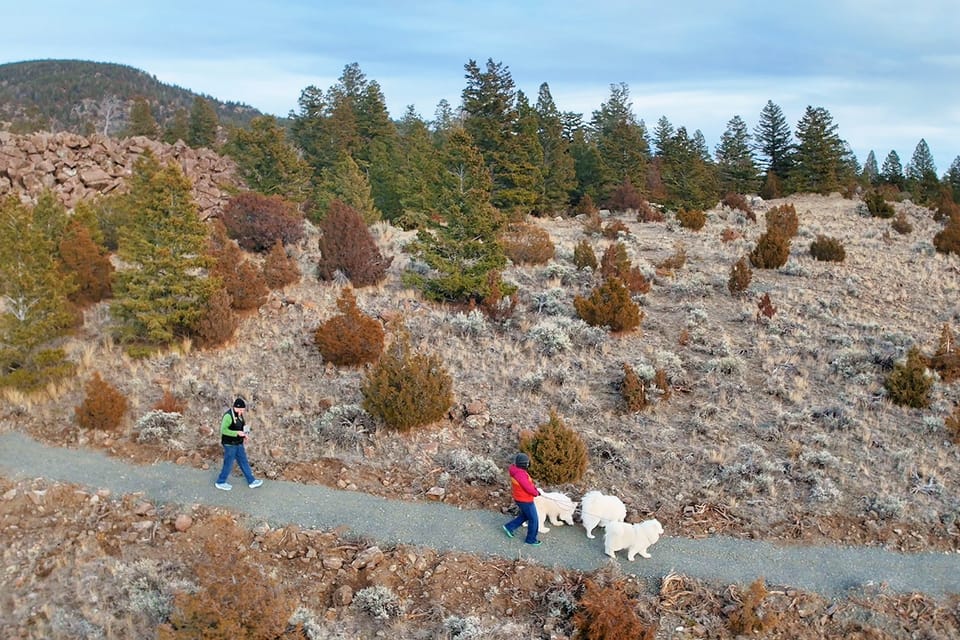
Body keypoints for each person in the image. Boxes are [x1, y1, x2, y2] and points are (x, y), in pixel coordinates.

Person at [215, 397, 263, 490]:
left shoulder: (239, 415)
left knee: (243, 461)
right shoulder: (228, 416)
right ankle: (220, 482)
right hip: (229, 444)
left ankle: (251, 481)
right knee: (228, 463)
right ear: (235, 407)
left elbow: (241, 426)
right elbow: (223, 430)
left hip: (238, 443)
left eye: (243, 410)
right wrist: (236, 433)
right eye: (241, 410)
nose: (242, 412)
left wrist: (244, 434)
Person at [502, 452, 542, 546]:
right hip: (525, 500)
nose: (528, 464)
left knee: (525, 516)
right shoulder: (520, 474)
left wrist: (534, 490)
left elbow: (527, 485)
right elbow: (527, 487)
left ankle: (509, 527)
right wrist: (536, 493)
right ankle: (531, 539)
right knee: (534, 519)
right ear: (524, 464)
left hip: (520, 498)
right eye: (527, 463)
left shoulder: (515, 470)